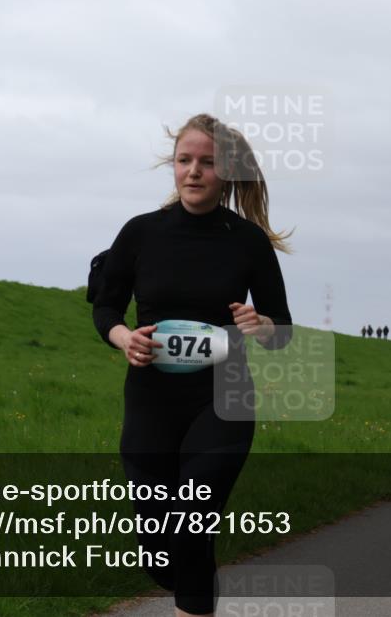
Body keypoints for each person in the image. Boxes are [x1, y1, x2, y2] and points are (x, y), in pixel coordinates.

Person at [92, 113, 294, 617]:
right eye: (185, 160)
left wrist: (258, 324)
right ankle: (192, 576)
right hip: (150, 403)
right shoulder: (140, 233)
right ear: (173, 166)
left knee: (191, 525)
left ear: (226, 173)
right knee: (163, 553)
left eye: (207, 162)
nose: (194, 171)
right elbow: (106, 306)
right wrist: (124, 338)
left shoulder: (247, 242)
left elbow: (281, 332)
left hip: (223, 400)